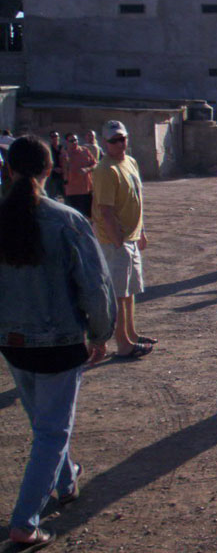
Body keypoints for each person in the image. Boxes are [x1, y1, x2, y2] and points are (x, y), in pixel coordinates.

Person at [0, 136, 116, 551]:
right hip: (60, 343)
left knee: (45, 423)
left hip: (13, 342)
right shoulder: (66, 220)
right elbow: (95, 285)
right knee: (51, 431)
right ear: (51, 170)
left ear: (10, 169)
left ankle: (66, 482)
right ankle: (25, 523)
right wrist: (101, 334)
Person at [92, 120, 154, 359]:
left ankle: (131, 333)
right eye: (114, 140)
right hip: (115, 240)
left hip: (131, 236)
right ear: (105, 143)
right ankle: (122, 342)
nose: (120, 144)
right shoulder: (105, 169)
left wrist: (141, 231)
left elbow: (137, 199)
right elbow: (105, 209)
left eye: (122, 138)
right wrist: (117, 239)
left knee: (130, 291)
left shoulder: (130, 162)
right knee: (118, 293)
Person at [60, 133, 97, 218]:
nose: (74, 142)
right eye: (72, 141)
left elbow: (95, 164)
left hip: (87, 190)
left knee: (90, 216)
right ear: (67, 142)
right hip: (72, 191)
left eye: (76, 140)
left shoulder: (85, 151)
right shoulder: (64, 154)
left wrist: (87, 169)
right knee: (74, 217)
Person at [45, 131, 64, 201]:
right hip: (52, 176)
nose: (55, 138)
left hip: (63, 175)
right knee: (52, 196)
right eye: (53, 137)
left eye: (56, 136)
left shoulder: (62, 148)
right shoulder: (48, 149)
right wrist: (54, 168)